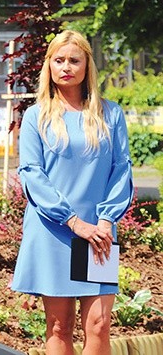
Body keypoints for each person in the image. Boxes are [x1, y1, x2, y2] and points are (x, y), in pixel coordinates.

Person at [11, 30, 133, 354]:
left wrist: (105, 220)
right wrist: (73, 221)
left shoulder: (111, 114)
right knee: (58, 326)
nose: (66, 66)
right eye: (59, 59)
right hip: (53, 231)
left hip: (99, 235)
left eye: (74, 60)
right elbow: (32, 175)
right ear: (49, 66)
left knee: (99, 324)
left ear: (87, 66)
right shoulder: (36, 117)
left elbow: (121, 169)